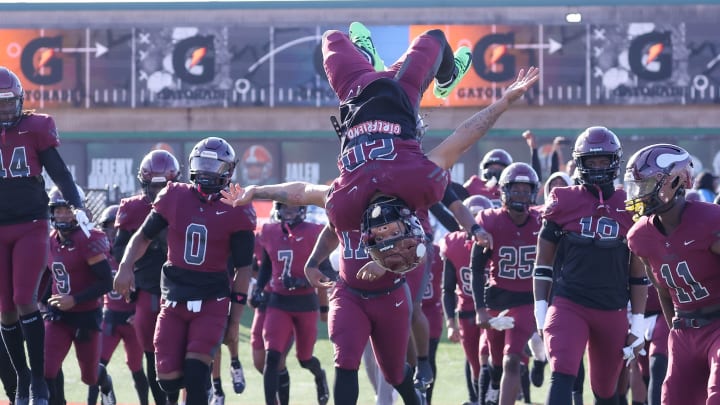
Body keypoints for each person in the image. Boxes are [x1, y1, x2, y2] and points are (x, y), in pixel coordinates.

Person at [113, 137, 257, 405]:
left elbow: (244, 269)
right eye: (202, 165)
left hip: (211, 300)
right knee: (167, 380)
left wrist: (234, 320)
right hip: (174, 298)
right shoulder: (174, 195)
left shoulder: (237, 207)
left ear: (228, 171)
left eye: (213, 167)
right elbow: (143, 236)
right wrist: (125, 266)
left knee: (196, 374)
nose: (206, 172)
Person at [533, 126, 648, 405]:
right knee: (562, 372)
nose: (597, 167)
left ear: (614, 162)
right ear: (580, 163)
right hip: (570, 302)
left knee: (605, 391)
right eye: (591, 161)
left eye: (603, 161)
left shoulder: (631, 206)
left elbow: (637, 272)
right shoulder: (564, 199)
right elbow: (543, 262)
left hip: (612, 307)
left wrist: (638, 321)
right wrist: (540, 308)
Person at [0, 66, 86, 405]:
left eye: (9, 103)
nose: (5, 111)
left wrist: (77, 205)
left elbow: (60, 173)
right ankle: (22, 379)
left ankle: (37, 380)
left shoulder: (36, 128)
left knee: (24, 298)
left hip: (32, 224)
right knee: (5, 309)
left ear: (20, 101)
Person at [624, 143, 720, 404]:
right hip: (684, 331)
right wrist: (675, 329)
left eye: (645, 185)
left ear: (676, 181)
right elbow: (663, 290)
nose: (639, 194)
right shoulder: (640, 236)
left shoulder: (711, 222)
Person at [112, 149, 181, 405]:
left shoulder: (187, 202)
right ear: (144, 184)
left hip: (184, 287)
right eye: (154, 187)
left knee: (187, 351)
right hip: (149, 288)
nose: (159, 192)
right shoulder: (132, 208)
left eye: (165, 186)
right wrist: (147, 247)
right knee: (152, 353)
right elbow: (119, 249)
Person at [470, 162, 542, 405]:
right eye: (516, 189)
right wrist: (479, 309)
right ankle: (495, 384)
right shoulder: (489, 221)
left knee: (512, 359)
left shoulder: (541, 222)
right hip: (497, 299)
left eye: (525, 190)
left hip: (526, 301)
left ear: (533, 192)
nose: (521, 195)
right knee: (496, 364)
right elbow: (477, 268)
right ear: (504, 192)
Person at [42, 186, 116, 405]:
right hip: (58, 316)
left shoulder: (87, 239)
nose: (63, 215)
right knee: (47, 368)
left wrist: (74, 299)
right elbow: (52, 276)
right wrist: (41, 301)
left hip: (86, 315)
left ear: (79, 211)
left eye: (68, 210)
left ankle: (106, 383)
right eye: (58, 210)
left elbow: (106, 281)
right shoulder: (50, 240)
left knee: (90, 376)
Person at [255, 202, 331, 405]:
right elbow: (267, 266)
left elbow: (327, 272)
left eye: (292, 208)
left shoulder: (314, 232)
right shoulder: (269, 230)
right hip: (278, 303)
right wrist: (258, 288)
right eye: (284, 208)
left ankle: (319, 375)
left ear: (302, 210)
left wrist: (302, 281)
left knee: (305, 358)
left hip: (306, 303)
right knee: (272, 358)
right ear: (277, 209)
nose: (288, 212)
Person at [88, 205, 149, 405]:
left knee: (136, 367)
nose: (113, 234)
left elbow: (148, 286)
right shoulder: (100, 256)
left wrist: (140, 313)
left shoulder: (136, 256)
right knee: (95, 366)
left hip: (132, 320)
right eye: (108, 228)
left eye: (117, 229)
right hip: (110, 318)